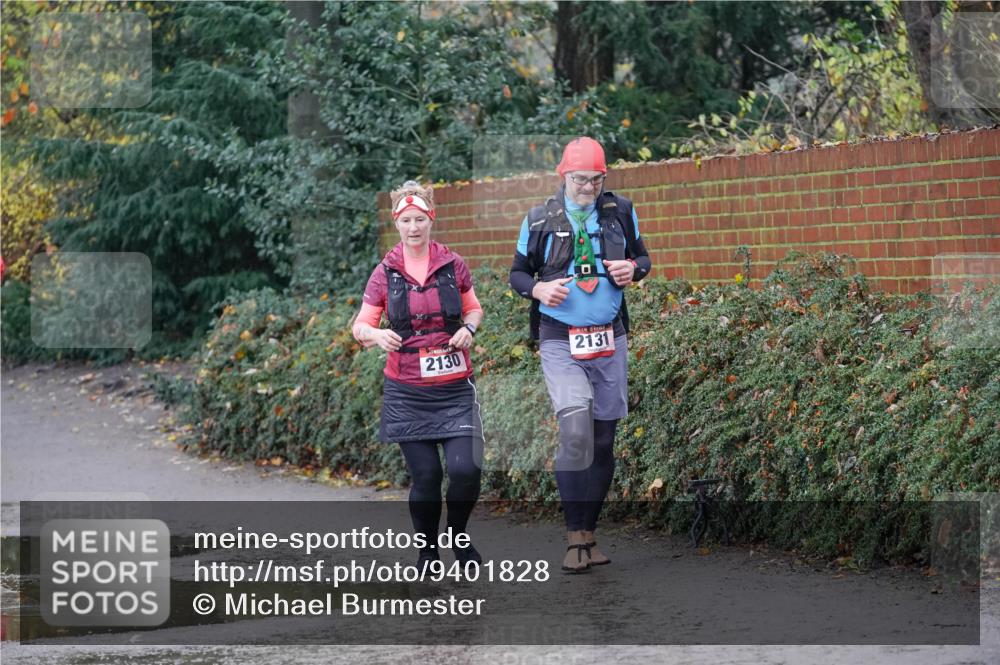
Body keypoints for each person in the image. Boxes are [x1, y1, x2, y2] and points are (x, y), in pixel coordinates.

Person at [509, 137, 652, 573]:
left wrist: (635, 270)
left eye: (594, 179)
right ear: (563, 176)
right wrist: (537, 288)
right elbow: (516, 273)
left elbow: (643, 259)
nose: (587, 186)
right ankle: (573, 538)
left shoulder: (621, 212)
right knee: (576, 434)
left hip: (610, 337)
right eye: (578, 179)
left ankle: (589, 533)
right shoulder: (537, 220)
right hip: (560, 339)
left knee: (604, 441)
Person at [352, 180, 485, 569]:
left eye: (420, 220)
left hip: (454, 387)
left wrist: (469, 329)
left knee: (466, 470)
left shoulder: (452, 263)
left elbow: (473, 308)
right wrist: (376, 334)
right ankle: (428, 550)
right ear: (397, 223)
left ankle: (459, 536)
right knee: (426, 477)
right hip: (407, 388)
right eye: (406, 220)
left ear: (431, 220)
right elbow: (360, 326)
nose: (414, 227)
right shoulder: (385, 271)